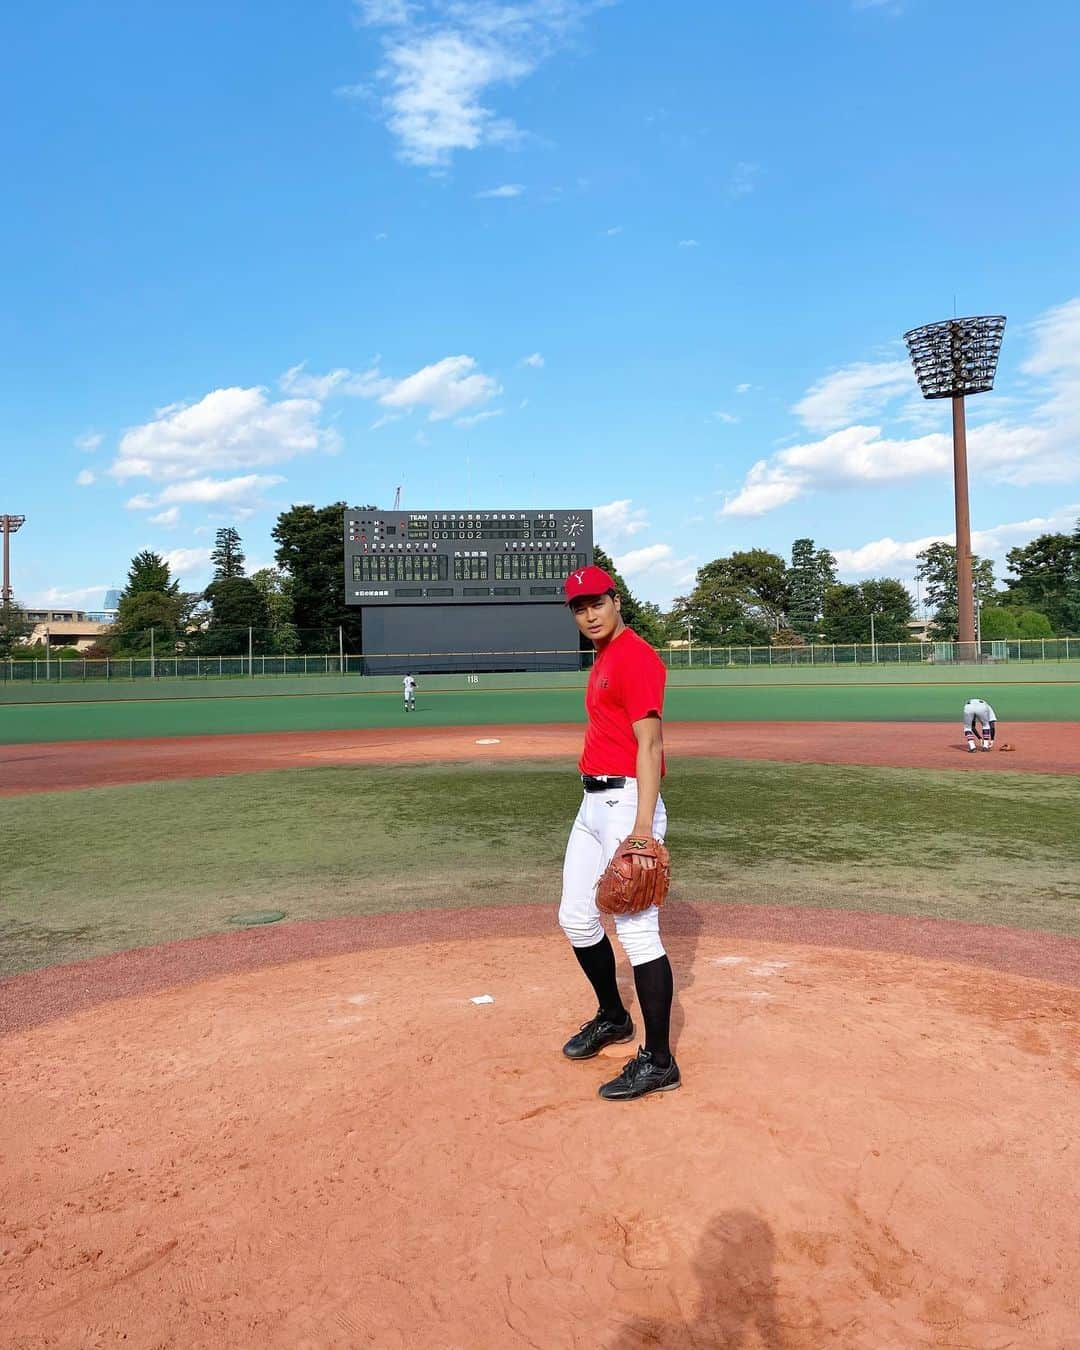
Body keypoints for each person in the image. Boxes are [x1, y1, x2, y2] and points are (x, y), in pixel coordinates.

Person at [557, 563, 680, 1101]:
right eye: (579, 608)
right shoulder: (604, 657)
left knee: (637, 933)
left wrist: (640, 831)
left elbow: (650, 747)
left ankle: (659, 1061)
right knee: (576, 917)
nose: (589, 614)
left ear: (616, 599)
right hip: (592, 805)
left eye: (596, 602)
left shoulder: (634, 657)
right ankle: (613, 1016)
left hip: (627, 801)